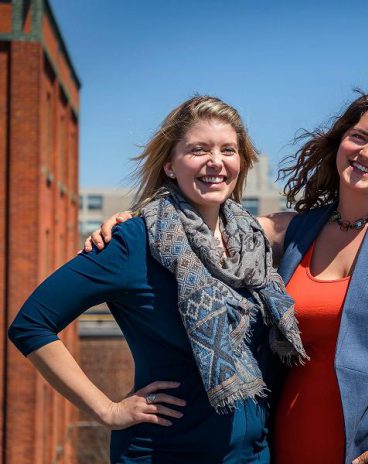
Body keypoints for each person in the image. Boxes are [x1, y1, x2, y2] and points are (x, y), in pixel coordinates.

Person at [88, 92, 368, 463]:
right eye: (359, 137)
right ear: (341, 142)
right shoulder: (297, 231)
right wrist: (135, 223)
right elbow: (205, 223)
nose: (367, 154)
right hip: (288, 440)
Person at [8, 96, 305, 464]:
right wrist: (108, 410)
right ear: (169, 164)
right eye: (198, 149)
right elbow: (31, 324)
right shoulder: (133, 240)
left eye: (228, 149)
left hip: (253, 453)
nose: (215, 161)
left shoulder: (253, 241)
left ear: (240, 163)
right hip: (166, 452)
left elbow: (340, 218)